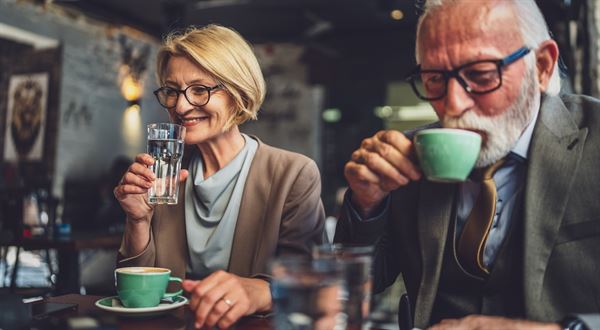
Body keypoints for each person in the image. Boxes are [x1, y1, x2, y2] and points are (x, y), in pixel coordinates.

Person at [334, 1, 600, 329]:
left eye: (480, 74)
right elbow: (351, 286)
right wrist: (367, 203)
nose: (453, 105)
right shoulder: (408, 156)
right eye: (433, 79)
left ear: (542, 67)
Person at [114, 24, 325, 329]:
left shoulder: (293, 174)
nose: (181, 106)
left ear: (238, 92)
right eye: (172, 91)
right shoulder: (163, 173)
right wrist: (137, 221)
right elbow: (138, 296)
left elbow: (309, 284)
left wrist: (257, 292)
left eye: (200, 89)